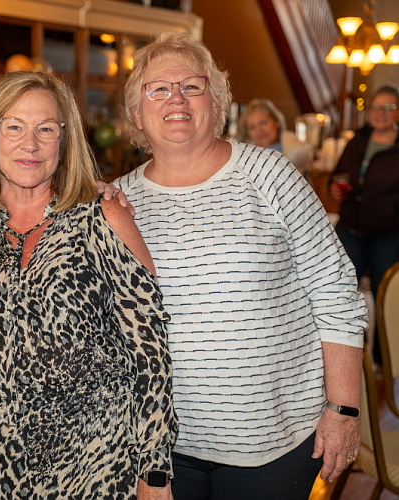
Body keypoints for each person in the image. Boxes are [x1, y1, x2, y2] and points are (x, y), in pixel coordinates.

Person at [114, 31, 367, 500]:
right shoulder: (117, 202)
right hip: (162, 448)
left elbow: (335, 291)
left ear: (217, 103)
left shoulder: (270, 174)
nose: (176, 99)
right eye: (158, 89)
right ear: (135, 113)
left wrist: (344, 409)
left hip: (273, 443)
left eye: (192, 86)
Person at [0, 70, 177, 499]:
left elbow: (150, 351)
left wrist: (154, 471)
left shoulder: (103, 218)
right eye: (14, 127)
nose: (29, 144)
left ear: (65, 140)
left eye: (46, 129)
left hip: (97, 462)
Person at [329, 83, 399, 368]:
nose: (381, 113)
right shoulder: (357, 140)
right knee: (340, 294)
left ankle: (385, 363)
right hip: (350, 230)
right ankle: (349, 357)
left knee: (386, 298)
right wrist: (335, 188)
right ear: (368, 111)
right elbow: (338, 174)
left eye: (388, 107)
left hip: (387, 234)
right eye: (376, 107)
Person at [237, 98, 313, 174]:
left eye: (263, 122)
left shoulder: (292, 146)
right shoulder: (245, 158)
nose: (259, 130)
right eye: (252, 127)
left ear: (277, 122)